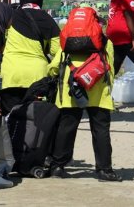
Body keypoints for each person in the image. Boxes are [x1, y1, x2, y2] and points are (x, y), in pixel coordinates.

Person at [48, 20, 120, 182]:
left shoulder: (67, 41)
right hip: (98, 90)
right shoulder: (105, 41)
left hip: (71, 88)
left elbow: (54, 66)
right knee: (100, 129)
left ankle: (58, 166)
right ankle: (104, 170)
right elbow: (110, 67)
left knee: (66, 127)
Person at [0, 0, 61, 114]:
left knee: (9, 119)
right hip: (37, 77)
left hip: (11, 74)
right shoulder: (49, 20)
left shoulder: (11, 16)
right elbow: (57, 51)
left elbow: (2, 40)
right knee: (33, 121)